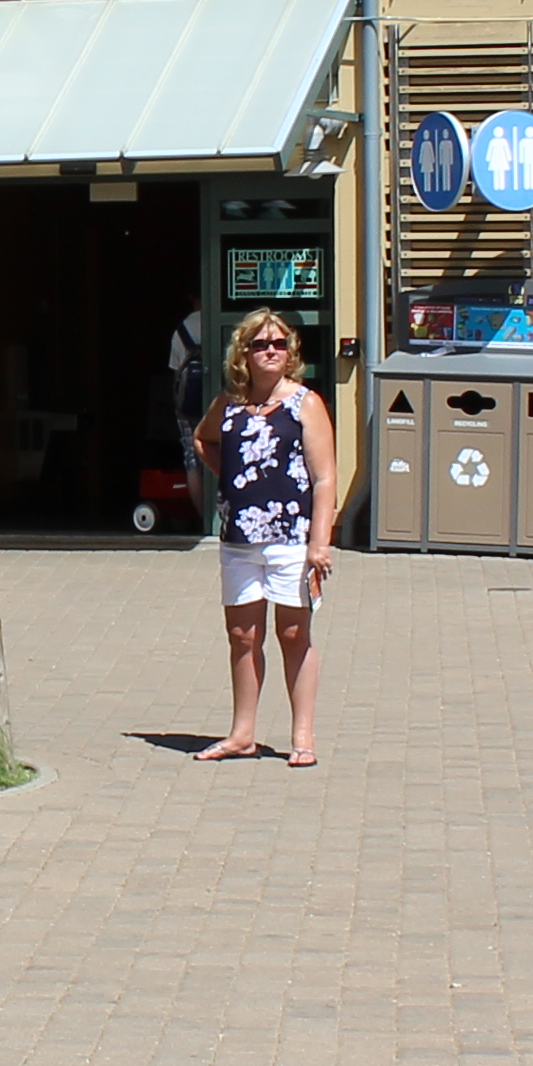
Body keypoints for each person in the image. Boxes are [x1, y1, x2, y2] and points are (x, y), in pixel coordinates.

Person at [191, 307, 340, 767]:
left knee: (294, 633)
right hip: (239, 541)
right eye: (260, 344)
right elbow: (203, 440)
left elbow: (325, 478)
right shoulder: (230, 404)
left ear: (290, 352)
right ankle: (242, 734)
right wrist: (235, 481)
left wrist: (320, 541)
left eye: (279, 343)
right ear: (245, 353)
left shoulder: (304, 403)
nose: (270, 351)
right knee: (242, 635)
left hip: (292, 541)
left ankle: (303, 737)